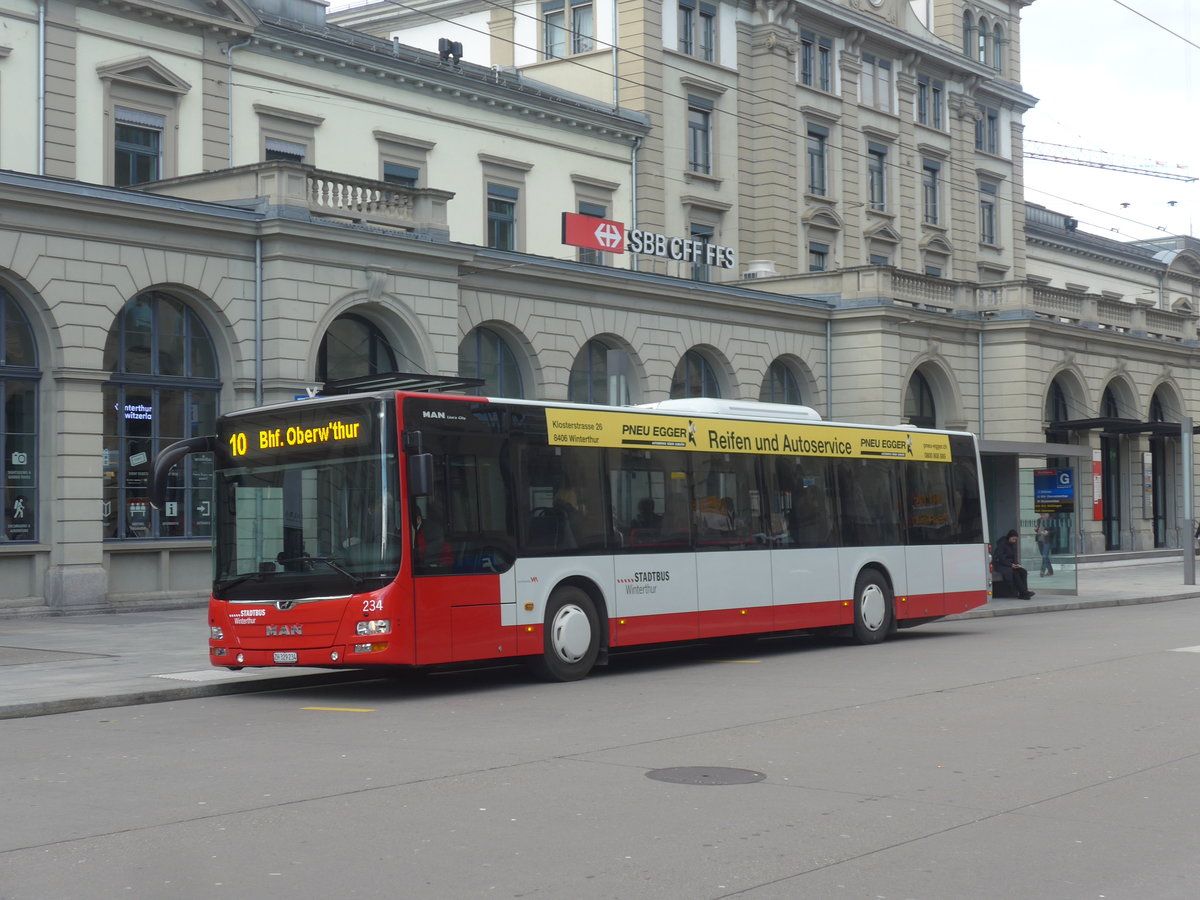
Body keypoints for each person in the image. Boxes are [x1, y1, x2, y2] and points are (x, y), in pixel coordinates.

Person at [993, 528, 1034, 600]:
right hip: (1001, 564)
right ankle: (1024, 592)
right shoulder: (1002, 544)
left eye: (1016, 539)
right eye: (1013, 539)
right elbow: (1001, 558)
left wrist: (1017, 564)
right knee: (1014, 572)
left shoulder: (1012, 545)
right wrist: (1011, 565)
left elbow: (1014, 557)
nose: (1014, 541)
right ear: (1009, 537)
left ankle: (1024, 592)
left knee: (1023, 572)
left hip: (1011, 564)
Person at [1035, 512, 1054, 576]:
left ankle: (1042, 571)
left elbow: (1055, 530)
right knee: (1044, 556)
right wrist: (1036, 529)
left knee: (1045, 556)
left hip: (1047, 540)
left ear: (1048, 514)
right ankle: (1050, 571)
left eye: (1043, 514)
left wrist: (1048, 532)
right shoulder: (1038, 520)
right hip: (1039, 540)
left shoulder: (1051, 520)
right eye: (1041, 514)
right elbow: (1037, 529)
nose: (1042, 516)